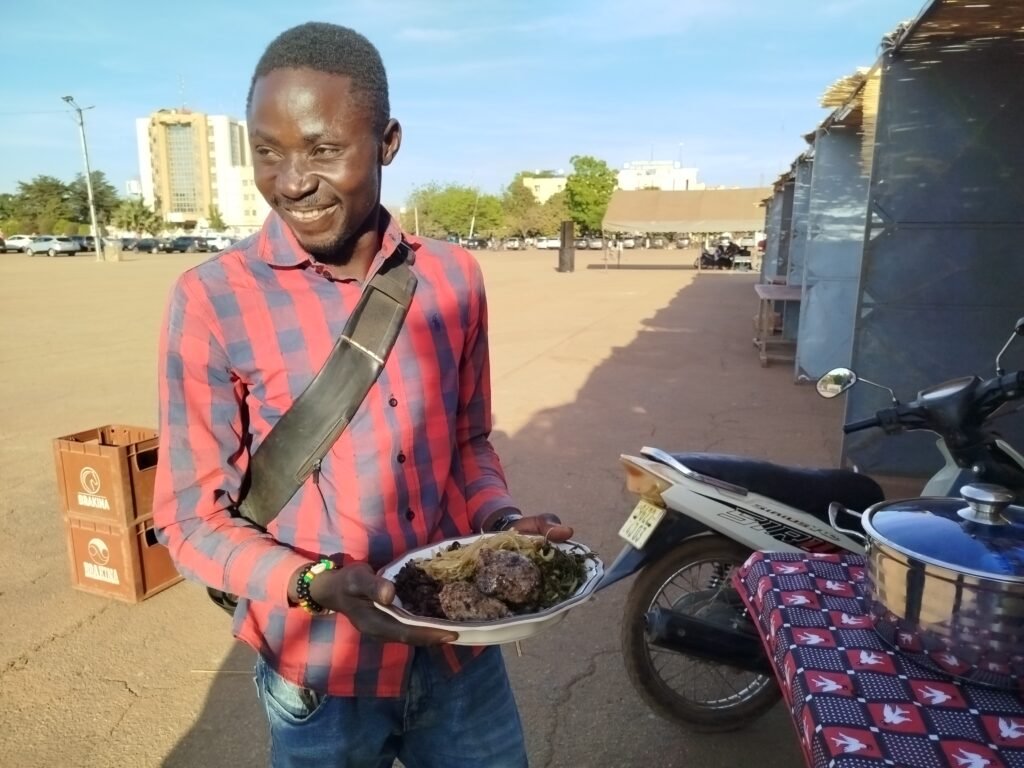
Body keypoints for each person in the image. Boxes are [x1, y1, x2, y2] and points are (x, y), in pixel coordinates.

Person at [152, 21, 572, 768]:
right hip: (320, 679)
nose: (290, 180)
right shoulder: (212, 300)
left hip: (458, 658)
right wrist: (314, 584)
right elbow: (188, 519)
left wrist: (502, 524)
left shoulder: (452, 280)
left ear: (387, 141)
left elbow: (468, 445)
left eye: (322, 149)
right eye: (268, 151)